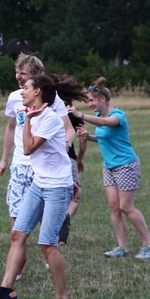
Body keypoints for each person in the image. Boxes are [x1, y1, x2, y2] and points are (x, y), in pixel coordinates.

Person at [0, 74, 81, 299]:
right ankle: (6, 291)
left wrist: (27, 121)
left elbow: (27, 148)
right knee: (18, 234)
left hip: (57, 187)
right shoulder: (34, 115)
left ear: (37, 92)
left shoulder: (47, 118)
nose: (22, 91)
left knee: (47, 244)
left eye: (26, 87)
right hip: (40, 183)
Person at [0, 54, 76, 280]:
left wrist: (64, 148)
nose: (19, 78)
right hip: (21, 163)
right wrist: (4, 159)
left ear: (36, 80)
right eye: (17, 72)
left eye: (24, 74)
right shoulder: (14, 98)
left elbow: (68, 130)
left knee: (44, 218)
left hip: (44, 167)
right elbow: (11, 129)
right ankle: (18, 262)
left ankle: (50, 251)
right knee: (16, 216)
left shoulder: (52, 101)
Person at [69, 77, 150, 259]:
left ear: (102, 99)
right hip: (109, 167)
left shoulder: (118, 115)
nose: (90, 104)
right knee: (114, 206)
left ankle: (148, 245)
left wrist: (80, 115)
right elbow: (104, 136)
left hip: (126, 165)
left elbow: (107, 124)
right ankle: (121, 247)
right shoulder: (100, 118)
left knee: (126, 206)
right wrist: (88, 136)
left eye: (92, 100)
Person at [58, 95, 88, 246]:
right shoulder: (70, 112)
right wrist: (79, 159)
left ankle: (54, 232)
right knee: (75, 193)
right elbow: (83, 138)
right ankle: (66, 216)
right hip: (68, 158)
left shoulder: (42, 107)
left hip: (46, 160)